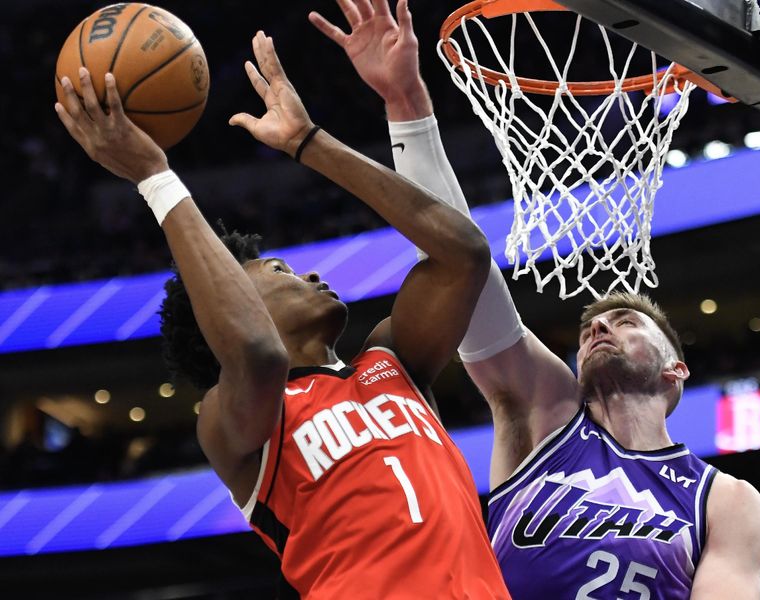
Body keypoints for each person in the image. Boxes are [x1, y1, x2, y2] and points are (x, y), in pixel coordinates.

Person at [310, 1, 760, 598]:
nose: (597, 328)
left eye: (625, 321)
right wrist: (406, 105)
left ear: (675, 369)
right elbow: (464, 269)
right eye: (589, 329)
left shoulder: (724, 498)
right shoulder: (544, 415)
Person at [54, 33, 511, 599]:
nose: (310, 275)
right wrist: (154, 176)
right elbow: (257, 353)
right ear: (227, 309)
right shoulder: (234, 421)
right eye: (278, 271)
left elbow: (462, 254)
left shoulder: (392, 363)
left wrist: (308, 142)